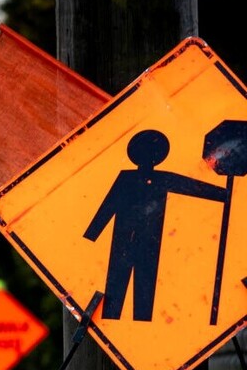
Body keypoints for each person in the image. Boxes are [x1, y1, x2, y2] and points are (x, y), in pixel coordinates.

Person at [84, 129, 226, 321]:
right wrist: (91, 235)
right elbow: (108, 206)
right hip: (123, 240)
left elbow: (191, 186)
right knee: (115, 288)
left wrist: (224, 194)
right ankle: (112, 319)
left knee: (145, 287)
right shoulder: (126, 177)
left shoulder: (162, 178)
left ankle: (141, 322)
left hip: (149, 241)